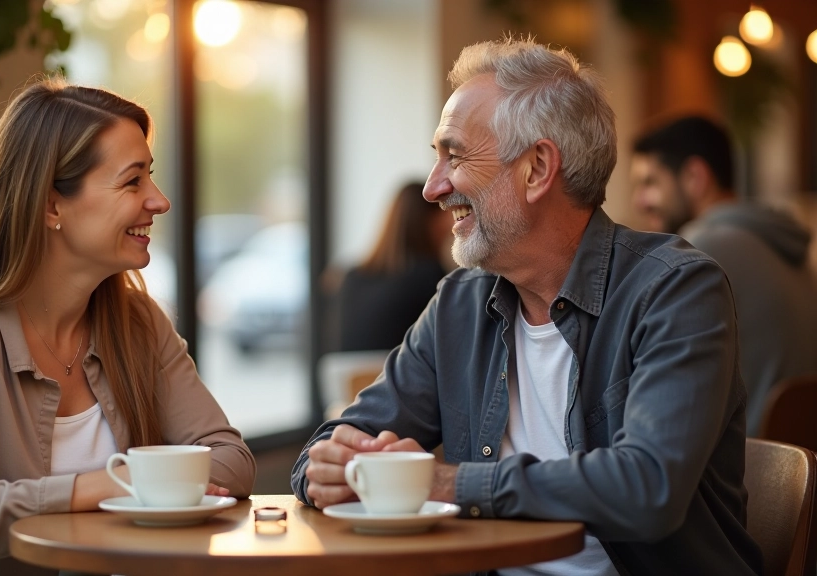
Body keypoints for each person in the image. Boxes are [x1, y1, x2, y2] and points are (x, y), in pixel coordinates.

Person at [292, 38, 762, 575]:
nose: (433, 187)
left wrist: (444, 481)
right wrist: (325, 467)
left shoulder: (676, 290)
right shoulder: (459, 304)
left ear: (537, 168)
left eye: (455, 154)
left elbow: (648, 486)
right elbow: (331, 442)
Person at [0, 79, 256, 575]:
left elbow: (231, 460)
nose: (159, 201)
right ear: (51, 206)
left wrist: (133, 482)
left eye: (150, 177)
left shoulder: (139, 323)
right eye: (133, 181)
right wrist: (110, 486)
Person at [631, 115, 817, 435]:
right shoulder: (779, 240)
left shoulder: (699, 252)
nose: (639, 201)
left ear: (695, 176)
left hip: (747, 468)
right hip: (795, 462)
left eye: (650, 183)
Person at [334, 181, 454, 352]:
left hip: (353, 378)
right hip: (398, 375)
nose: (451, 223)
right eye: (444, 212)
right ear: (428, 219)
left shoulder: (351, 276)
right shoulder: (428, 276)